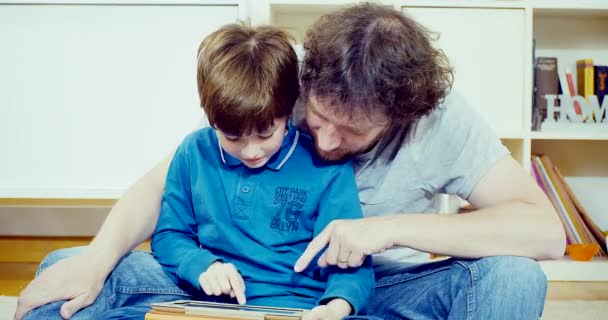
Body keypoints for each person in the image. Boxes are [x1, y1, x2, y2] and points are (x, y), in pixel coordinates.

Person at [16, 3, 566, 320]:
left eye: (351, 130)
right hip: (231, 284)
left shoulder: (439, 121)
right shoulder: (289, 83)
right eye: (316, 115)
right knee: (68, 268)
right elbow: (166, 186)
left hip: (377, 288)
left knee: (513, 279)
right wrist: (96, 257)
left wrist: (386, 230)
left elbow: (544, 233)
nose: (321, 140)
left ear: (399, 116)